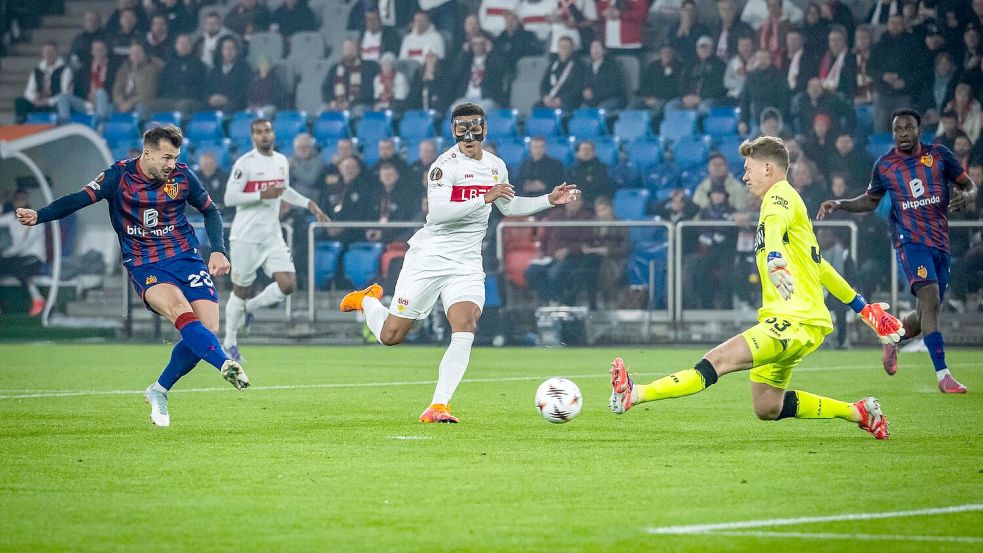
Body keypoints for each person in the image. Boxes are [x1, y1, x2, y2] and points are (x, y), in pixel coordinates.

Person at [610, 135, 904, 439]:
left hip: (793, 320)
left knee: (717, 361)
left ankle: (635, 393)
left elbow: (775, 227)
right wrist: (864, 308)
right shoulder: (788, 200)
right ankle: (860, 412)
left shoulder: (779, 197)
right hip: (800, 323)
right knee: (767, 406)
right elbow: (819, 266)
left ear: (767, 168)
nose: (744, 176)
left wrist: (774, 258)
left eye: (748, 168)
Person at [339, 102, 579, 423]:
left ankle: (438, 406)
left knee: (465, 326)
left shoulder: (496, 166)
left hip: (466, 263)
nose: (467, 134)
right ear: (453, 131)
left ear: (484, 129)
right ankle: (368, 301)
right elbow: (437, 213)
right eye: (460, 128)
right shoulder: (443, 166)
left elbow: (509, 207)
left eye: (473, 126)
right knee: (391, 336)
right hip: (429, 258)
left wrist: (547, 200)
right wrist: (483, 197)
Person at [15, 125, 248, 427]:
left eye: (175, 158)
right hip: (145, 264)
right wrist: (40, 215)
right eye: (166, 157)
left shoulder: (182, 177)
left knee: (208, 328)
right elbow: (78, 199)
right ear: (147, 152)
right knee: (181, 311)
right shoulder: (118, 176)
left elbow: (210, 211)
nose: (171, 165)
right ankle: (225, 364)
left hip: (186, 259)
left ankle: (159, 390)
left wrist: (218, 249)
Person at [817, 109, 978, 393]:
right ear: (892, 133)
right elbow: (870, 200)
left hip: (940, 241)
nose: (903, 133)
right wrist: (840, 203)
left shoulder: (939, 155)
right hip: (909, 241)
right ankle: (943, 375)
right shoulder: (886, 165)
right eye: (898, 129)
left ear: (919, 130)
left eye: (908, 128)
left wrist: (968, 195)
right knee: (929, 297)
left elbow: (969, 185)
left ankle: (893, 337)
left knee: (926, 313)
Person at [222, 119, 330, 362]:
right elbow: (229, 197)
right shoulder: (245, 163)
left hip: (272, 235)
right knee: (241, 289)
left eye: (267, 131)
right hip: (245, 236)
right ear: (253, 137)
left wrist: (309, 204)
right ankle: (229, 342)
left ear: (273, 134)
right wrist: (261, 194)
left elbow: (284, 191)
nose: (264, 136)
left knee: (288, 284)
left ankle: (248, 309)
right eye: (259, 132)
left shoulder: (281, 161)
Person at [0, 190, 46, 316]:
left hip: (33, 257)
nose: (20, 203)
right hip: (16, 257)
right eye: (17, 200)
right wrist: (2, 204)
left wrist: (7, 253)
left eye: (22, 200)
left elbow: (24, 245)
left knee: (17, 266)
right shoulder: (10, 218)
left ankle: (37, 299)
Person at [14, 42, 73, 123]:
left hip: (53, 104)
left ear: (57, 53)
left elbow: (65, 93)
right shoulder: (37, 70)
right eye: (46, 52)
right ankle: (20, 125)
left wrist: (48, 101)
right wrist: (35, 99)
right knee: (20, 102)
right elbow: (28, 91)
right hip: (39, 102)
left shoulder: (65, 70)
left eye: (51, 52)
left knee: (61, 104)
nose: (49, 55)